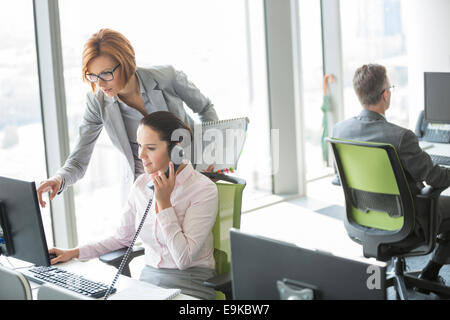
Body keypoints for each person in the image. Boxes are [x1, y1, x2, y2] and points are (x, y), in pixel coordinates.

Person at [37, 28, 218, 208]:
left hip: (193, 180)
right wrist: (59, 179)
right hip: (147, 193)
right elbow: (79, 159)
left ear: (126, 63)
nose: (99, 84)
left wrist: (208, 157)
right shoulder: (97, 102)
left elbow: (205, 108)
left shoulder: (166, 77)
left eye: (106, 74)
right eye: (92, 76)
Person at [49, 111, 219, 300]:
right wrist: (74, 252)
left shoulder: (203, 189)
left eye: (151, 148)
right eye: (139, 145)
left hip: (191, 285)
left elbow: (183, 260)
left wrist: (164, 205)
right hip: (148, 285)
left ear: (176, 150)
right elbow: (122, 239)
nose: (141, 155)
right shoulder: (141, 185)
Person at [333, 64, 450, 283]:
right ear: (385, 95)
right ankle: (431, 273)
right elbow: (434, 177)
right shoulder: (401, 137)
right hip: (405, 222)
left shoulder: (339, 131)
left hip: (360, 217)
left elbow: (338, 178)